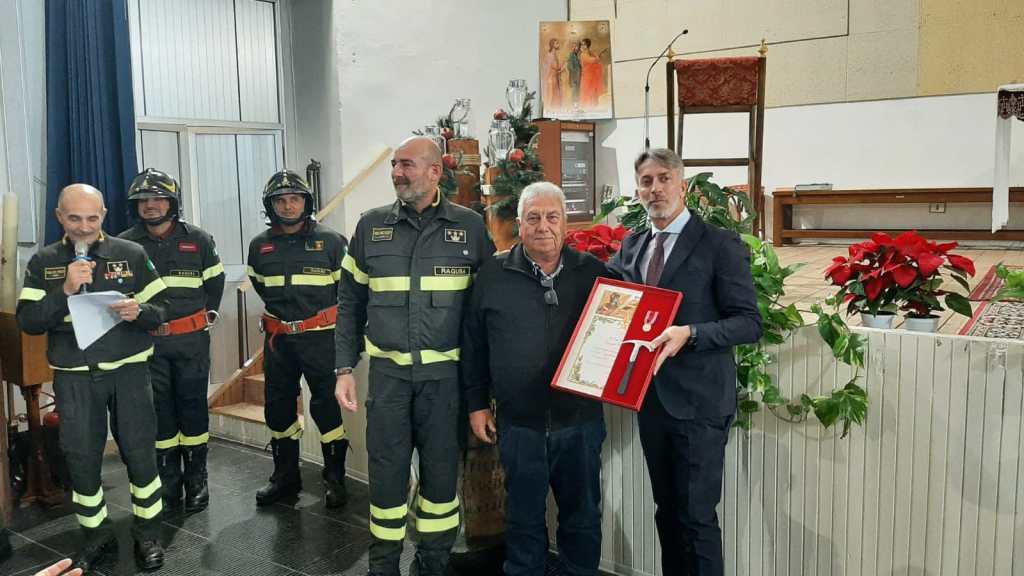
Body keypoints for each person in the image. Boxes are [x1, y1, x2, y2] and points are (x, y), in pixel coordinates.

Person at [334, 136, 494, 576]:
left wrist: (484, 386)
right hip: (388, 381)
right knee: (386, 480)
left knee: (441, 483)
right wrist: (344, 367)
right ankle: (383, 566)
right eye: (394, 165)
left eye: (406, 164)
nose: (397, 173)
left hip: (446, 383)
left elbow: (486, 311)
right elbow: (349, 302)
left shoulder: (470, 227)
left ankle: (432, 564)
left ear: (434, 171)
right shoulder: (371, 227)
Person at [608, 149, 762, 576]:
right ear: (638, 190)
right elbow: (612, 300)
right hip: (652, 400)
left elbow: (748, 323)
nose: (655, 189)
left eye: (663, 178)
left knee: (697, 519)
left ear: (682, 185)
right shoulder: (633, 246)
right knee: (667, 512)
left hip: (700, 404)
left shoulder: (718, 244)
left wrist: (690, 334)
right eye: (646, 181)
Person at [16, 184, 168, 572]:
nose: (84, 227)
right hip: (75, 377)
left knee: (140, 452)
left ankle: (148, 532)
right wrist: (64, 290)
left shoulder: (131, 253)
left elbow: (163, 307)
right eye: (74, 218)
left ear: (103, 215)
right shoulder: (44, 261)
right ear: (59, 217)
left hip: (129, 370)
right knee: (81, 457)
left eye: (91, 218)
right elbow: (28, 321)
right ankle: (96, 534)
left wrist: (140, 311)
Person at [462, 182, 607, 576]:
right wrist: (476, 404)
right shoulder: (493, 274)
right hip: (518, 423)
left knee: (582, 515)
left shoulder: (593, 273)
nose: (543, 226)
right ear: (520, 224)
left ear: (565, 223)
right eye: (533, 217)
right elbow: (473, 345)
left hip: (580, 421)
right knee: (523, 516)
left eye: (552, 217)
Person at [119, 168, 225, 514]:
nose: (150, 205)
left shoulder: (199, 239)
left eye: (157, 198)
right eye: (143, 200)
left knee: (192, 408)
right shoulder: (124, 245)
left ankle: (196, 479)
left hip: (191, 343)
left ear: (172, 202)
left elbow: (215, 283)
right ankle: (169, 480)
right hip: (147, 345)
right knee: (159, 411)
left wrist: (206, 318)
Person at [246, 170, 350, 508]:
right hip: (278, 343)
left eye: (295, 199)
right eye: (280, 200)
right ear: (270, 205)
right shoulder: (259, 246)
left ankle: (335, 479)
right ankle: (285, 477)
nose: (288, 206)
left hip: (321, 340)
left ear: (307, 202)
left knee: (326, 408)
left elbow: (348, 293)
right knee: (277, 409)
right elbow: (260, 286)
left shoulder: (332, 242)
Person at [579, 38, 604, 108]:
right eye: (581, 44)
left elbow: (596, 59)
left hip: (592, 76)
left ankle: (593, 106)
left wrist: (597, 57)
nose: (582, 46)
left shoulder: (590, 52)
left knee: (593, 92)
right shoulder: (583, 54)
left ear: (587, 45)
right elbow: (590, 60)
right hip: (586, 76)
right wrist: (597, 58)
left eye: (584, 44)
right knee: (586, 93)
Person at [542, 38, 564, 111]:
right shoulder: (550, 55)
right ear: (553, 45)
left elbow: (556, 70)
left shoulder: (554, 55)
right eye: (556, 43)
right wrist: (563, 64)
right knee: (552, 97)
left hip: (555, 79)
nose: (558, 44)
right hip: (551, 80)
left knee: (556, 97)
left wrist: (561, 69)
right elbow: (555, 67)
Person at [567, 41, 582, 109]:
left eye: (577, 47)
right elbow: (569, 66)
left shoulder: (578, 55)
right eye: (575, 47)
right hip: (574, 77)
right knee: (574, 91)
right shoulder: (571, 55)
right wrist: (574, 72)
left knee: (578, 91)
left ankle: (577, 104)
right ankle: (574, 104)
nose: (576, 48)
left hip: (579, 76)